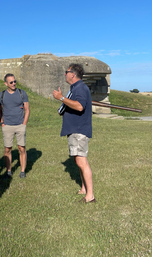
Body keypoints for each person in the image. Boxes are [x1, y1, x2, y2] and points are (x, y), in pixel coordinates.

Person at [52, 64, 95, 203]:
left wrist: (61, 98)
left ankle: (90, 196)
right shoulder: (75, 88)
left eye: (66, 72)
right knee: (78, 160)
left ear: (73, 74)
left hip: (79, 130)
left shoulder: (81, 88)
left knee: (82, 161)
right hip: (74, 130)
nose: (65, 74)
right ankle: (84, 188)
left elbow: (80, 106)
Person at [0, 73, 30, 178]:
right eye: (11, 82)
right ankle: (8, 171)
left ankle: (22, 171)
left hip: (20, 125)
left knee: (21, 148)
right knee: (7, 149)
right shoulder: (1, 95)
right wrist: (2, 122)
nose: (14, 83)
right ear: (6, 83)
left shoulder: (22, 93)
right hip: (7, 125)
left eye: (14, 81)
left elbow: (27, 109)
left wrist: (24, 123)